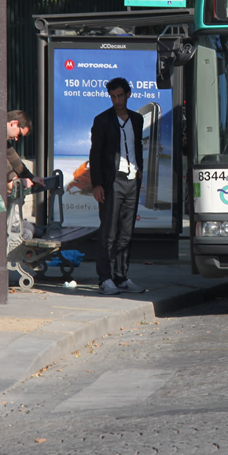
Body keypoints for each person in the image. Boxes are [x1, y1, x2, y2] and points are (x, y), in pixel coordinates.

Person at [90, 77, 146, 295]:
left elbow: (137, 146)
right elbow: (95, 154)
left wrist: (139, 170)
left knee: (126, 232)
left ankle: (121, 276)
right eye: (113, 96)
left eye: (120, 95)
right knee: (108, 231)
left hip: (132, 180)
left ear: (128, 94)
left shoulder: (137, 119)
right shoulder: (102, 120)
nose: (117, 100)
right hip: (112, 181)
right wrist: (97, 184)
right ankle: (105, 278)